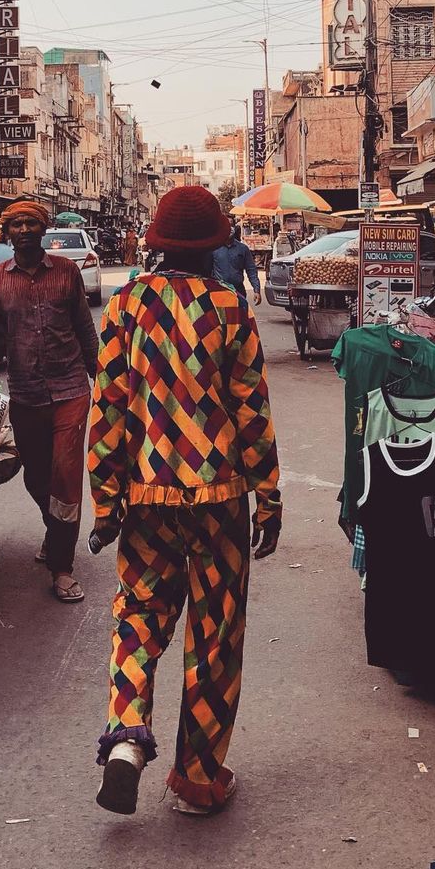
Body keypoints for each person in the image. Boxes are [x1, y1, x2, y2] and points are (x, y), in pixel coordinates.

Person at [88, 186, 283, 818]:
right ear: (216, 247)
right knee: (215, 635)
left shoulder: (125, 307)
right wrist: (269, 497)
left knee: (139, 617)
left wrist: (103, 501)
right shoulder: (228, 309)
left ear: (155, 243)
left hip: (146, 498)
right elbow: (251, 407)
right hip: (220, 498)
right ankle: (198, 778)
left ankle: (125, 736)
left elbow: (108, 408)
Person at [0, 200, 98, 603]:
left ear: (42, 229)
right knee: (35, 476)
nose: (25, 229)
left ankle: (62, 566)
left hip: (71, 390)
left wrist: (109, 379)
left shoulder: (66, 273)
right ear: (6, 232)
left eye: (31, 223)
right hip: (25, 392)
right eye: (17, 224)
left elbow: (84, 328)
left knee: (65, 476)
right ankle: (54, 530)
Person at [211, 223, 262, 303]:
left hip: (238, 290)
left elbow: (251, 270)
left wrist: (256, 290)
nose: (229, 228)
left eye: (230, 225)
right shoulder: (214, 248)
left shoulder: (243, 249)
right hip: (219, 290)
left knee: (240, 314)